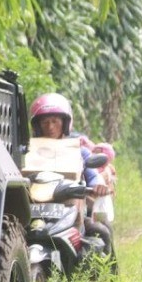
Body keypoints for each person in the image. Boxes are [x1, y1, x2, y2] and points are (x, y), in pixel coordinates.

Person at [28, 93, 114, 256]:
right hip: (35, 210)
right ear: (37, 126)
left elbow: (93, 174)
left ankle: (109, 277)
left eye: (55, 121)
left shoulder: (78, 151)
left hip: (70, 212)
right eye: (45, 122)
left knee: (101, 231)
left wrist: (98, 185)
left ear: (65, 123)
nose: (50, 127)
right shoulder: (27, 152)